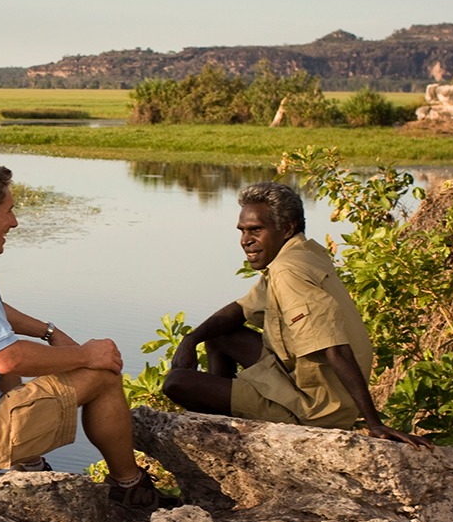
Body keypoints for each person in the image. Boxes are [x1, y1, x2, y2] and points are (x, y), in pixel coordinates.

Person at [0, 163, 165, 508]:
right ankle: (130, 487)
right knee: (102, 376)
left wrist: (48, 331)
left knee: (0, 355)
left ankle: (29, 465)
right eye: (8, 211)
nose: (13, 222)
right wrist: (88, 356)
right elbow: (8, 357)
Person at [162, 180, 433, 447]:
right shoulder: (301, 253)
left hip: (314, 407)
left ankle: (226, 426)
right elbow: (242, 309)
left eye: (256, 230)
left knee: (176, 383)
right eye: (242, 231)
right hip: (296, 379)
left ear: (287, 228)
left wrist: (373, 423)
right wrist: (191, 339)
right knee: (220, 335)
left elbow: (334, 348)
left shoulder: (287, 272)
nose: (246, 241)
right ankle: (225, 416)